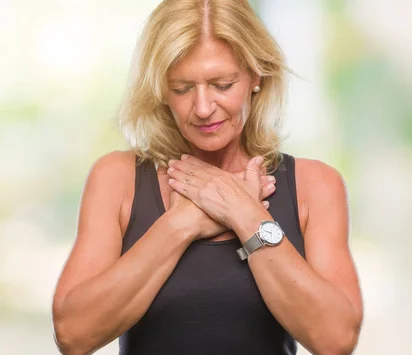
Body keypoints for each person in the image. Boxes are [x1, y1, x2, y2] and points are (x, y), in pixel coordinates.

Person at [51, 0, 363, 354]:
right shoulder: (117, 178)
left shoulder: (314, 185)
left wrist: (246, 214)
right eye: (182, 88)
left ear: (255, 76)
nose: (202, 108)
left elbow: (336, 340)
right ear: (161, 90)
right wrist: (184, 222)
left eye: (222, 84)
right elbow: (73, 335)